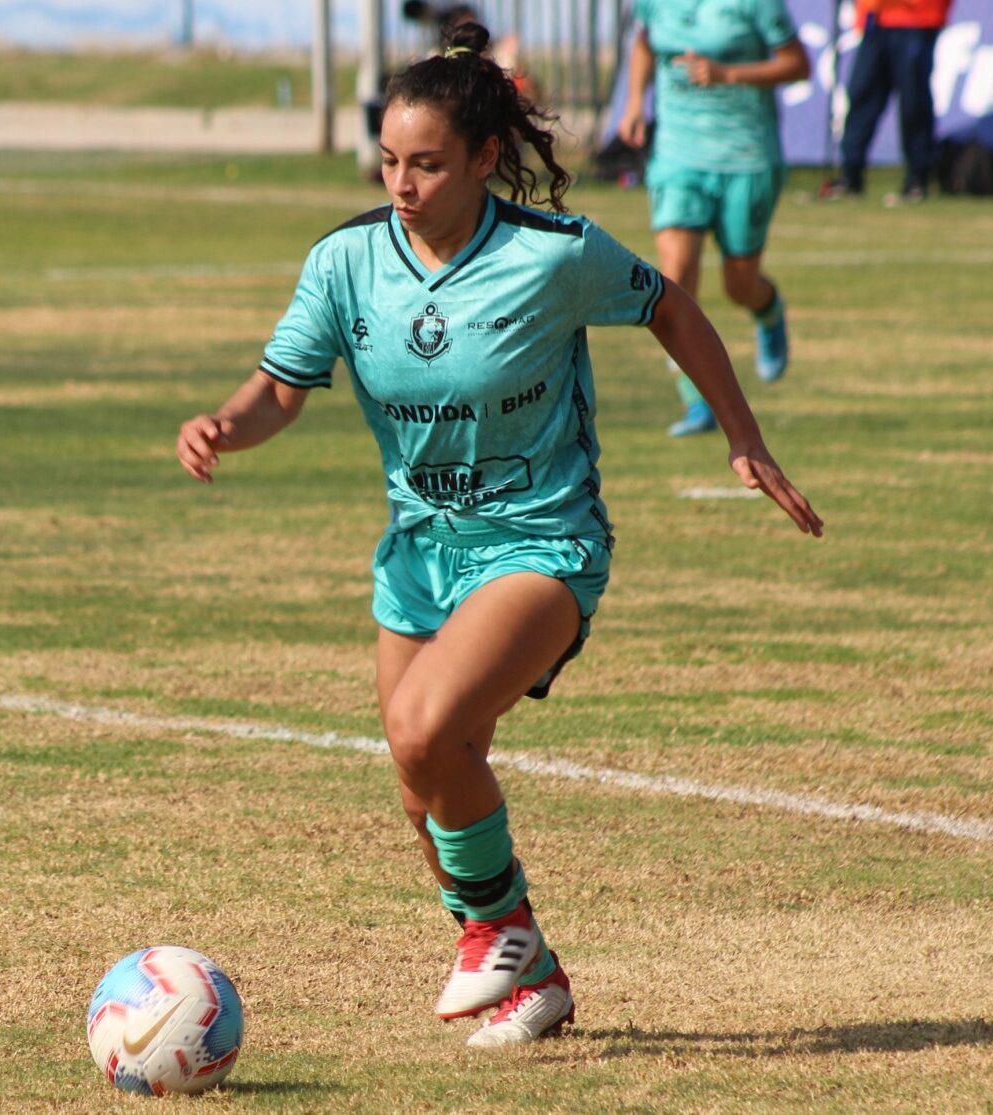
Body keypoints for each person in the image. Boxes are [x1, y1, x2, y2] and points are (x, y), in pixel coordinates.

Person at [176, 22, 822, 1049]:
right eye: (388, 160)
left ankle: (498, 937)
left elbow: (670, 308)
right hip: (419, 553)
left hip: (541, 542)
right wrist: (224, 421)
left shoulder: (549, 256)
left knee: (425, 727)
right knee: (419, 771)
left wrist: (741, 437)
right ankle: (527, 964)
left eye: (426, 163)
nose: (401, 183)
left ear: (484, 158)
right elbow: (279, 390)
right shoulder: (345, 261)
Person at [617, 0, 809, 437]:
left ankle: (767, 309)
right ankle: (696, 400)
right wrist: (633, 103)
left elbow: (798, 64)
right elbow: (645, 43)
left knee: (739, 284)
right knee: (675, 278)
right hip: (678, 156)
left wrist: (729, 74)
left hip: (746, 156)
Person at [831, 0, 954, 205]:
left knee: (913, 102)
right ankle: (850, 176)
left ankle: (917, 178)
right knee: (861, 96)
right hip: (876, 20)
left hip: (915, 19)